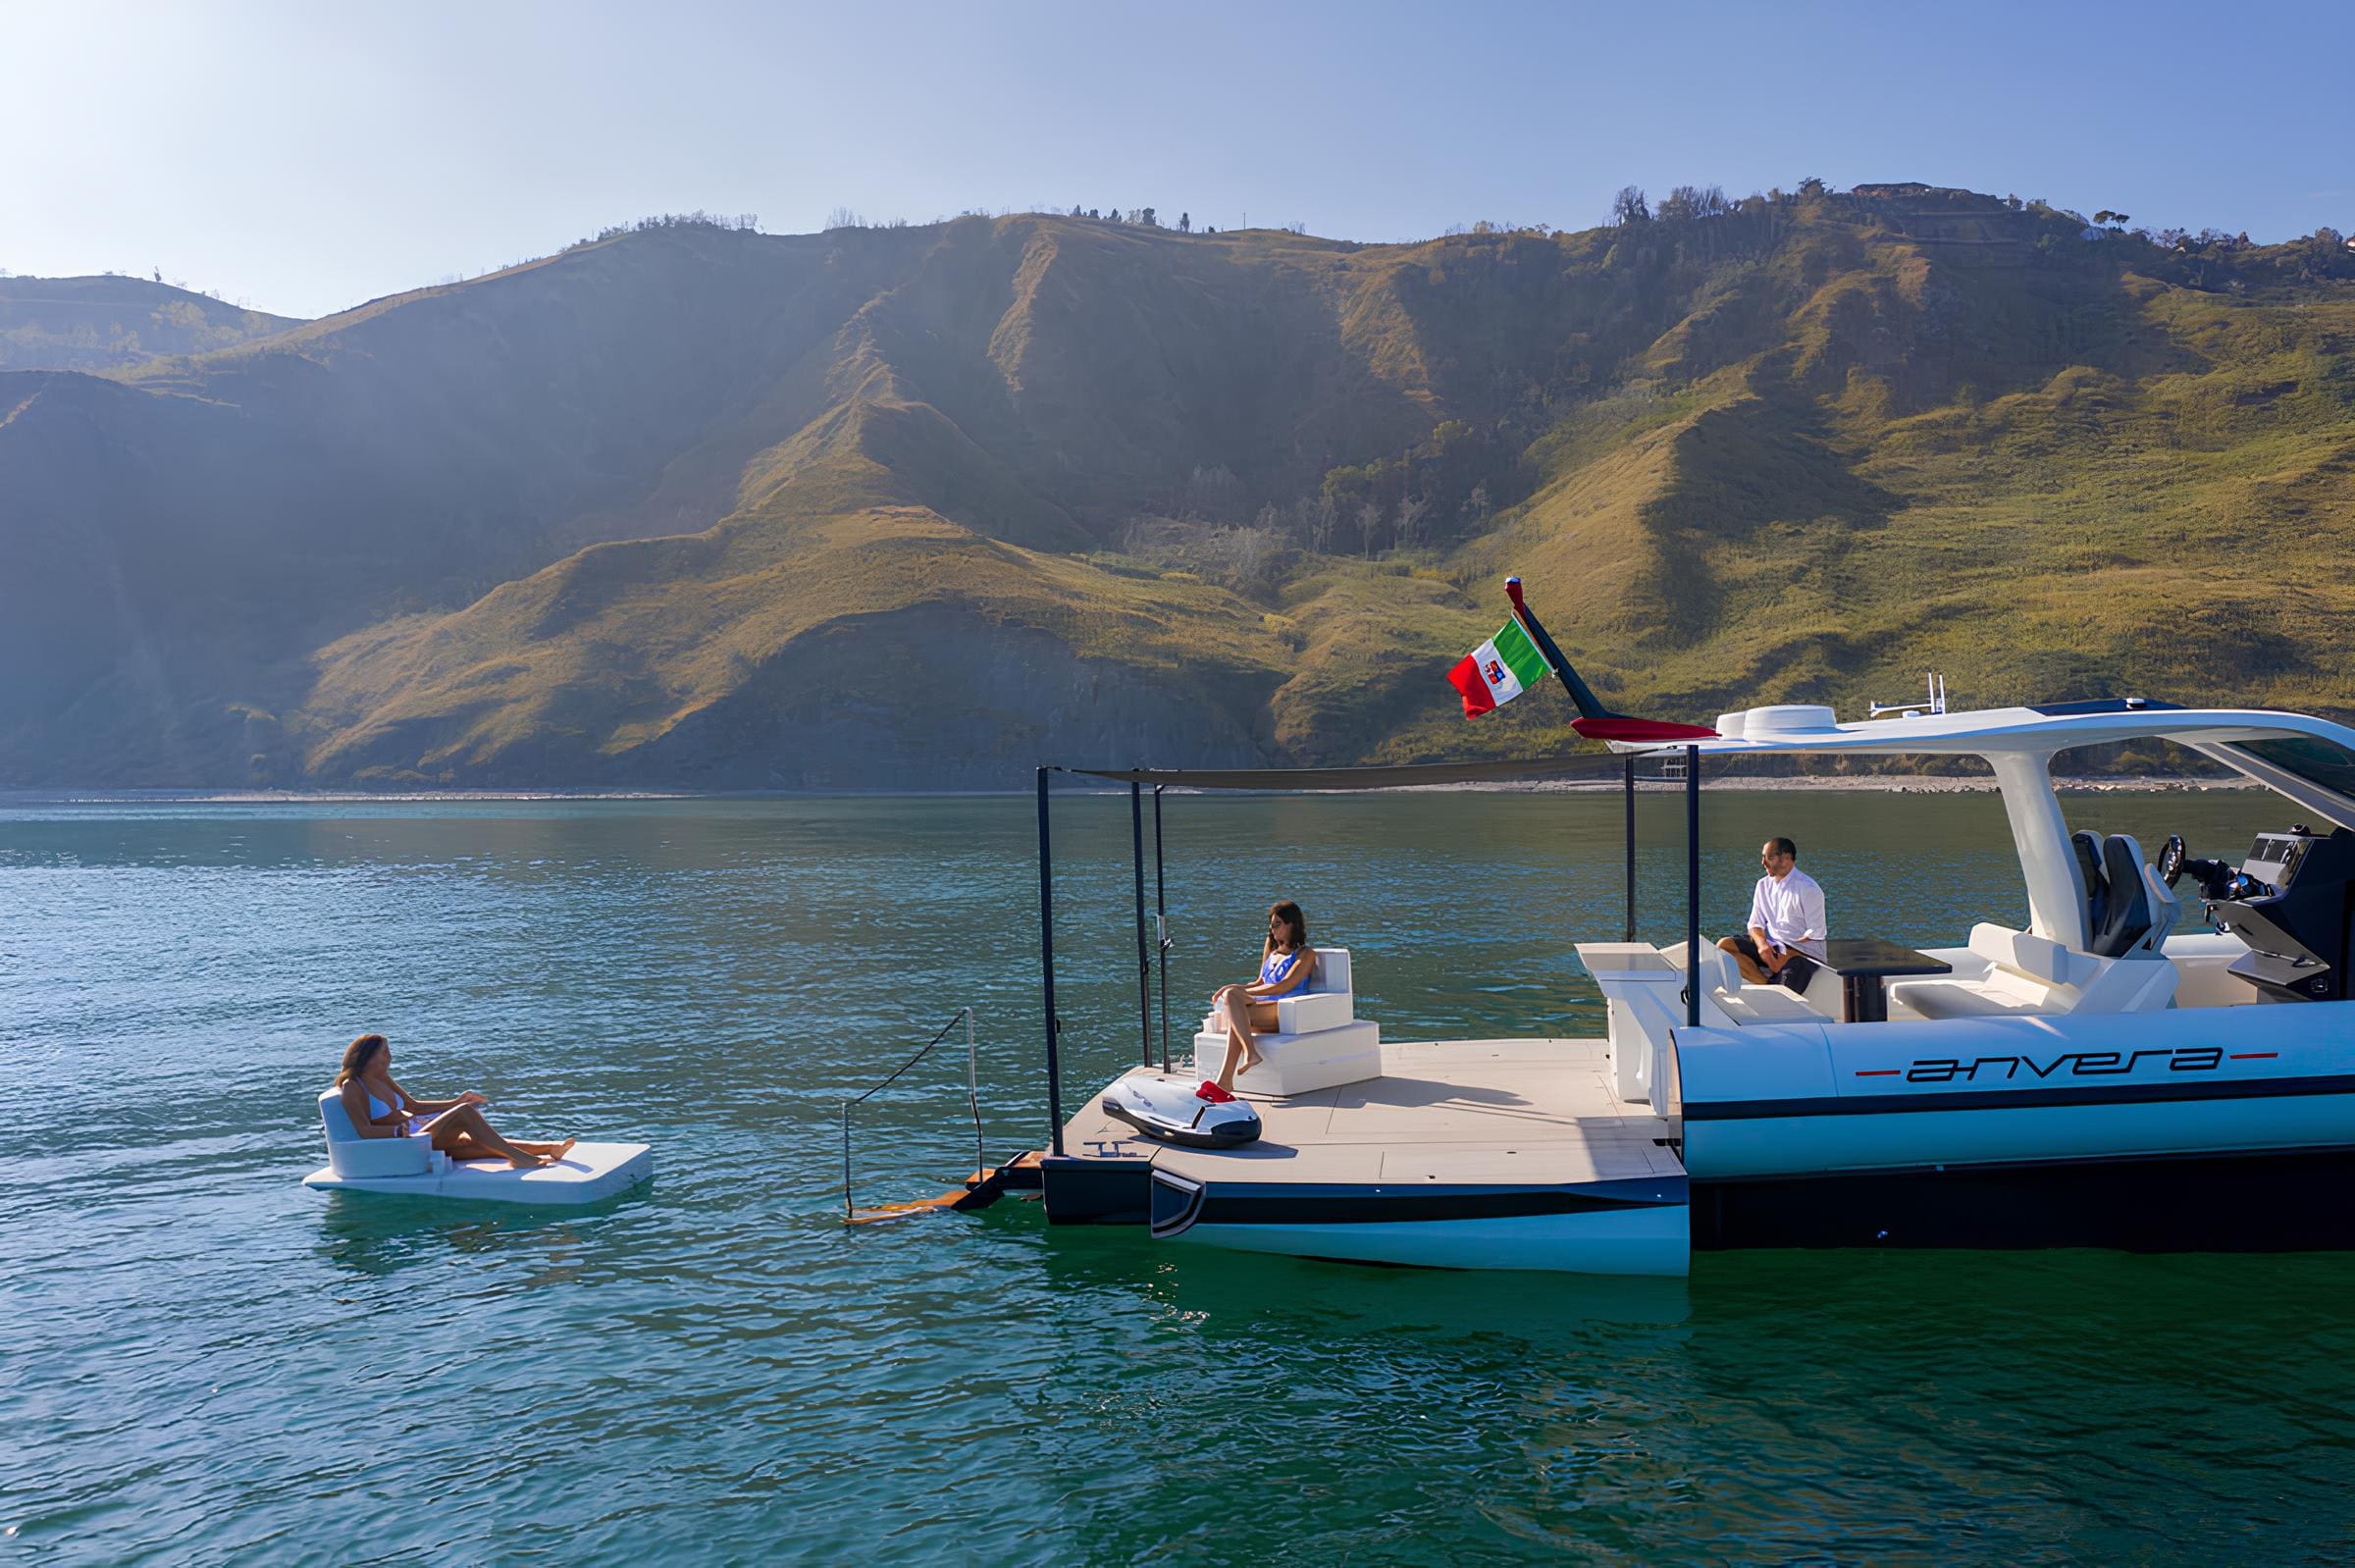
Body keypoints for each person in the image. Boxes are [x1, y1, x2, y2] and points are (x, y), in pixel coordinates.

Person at [334, 1032, 574, 1169]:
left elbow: (413, 1106)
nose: (389, 1056)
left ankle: (549, 1148)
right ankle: (521, 1159)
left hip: (420, 1131)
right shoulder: (353, 1086)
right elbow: (363, 1130)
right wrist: (397, 1132)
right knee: (464, 1114)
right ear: (368, 1056)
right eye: (384, 1052)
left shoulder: (382, 1077)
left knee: (475, 1143)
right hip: (405, 1143)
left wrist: (455, 1100)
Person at [1200, 901, 1318, 1102]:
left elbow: (1285, 986)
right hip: (1263, 1006)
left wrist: (1238, 991)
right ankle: (1229, 1077)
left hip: (1284, 1010)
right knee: (1232, 1000)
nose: (1272, 930)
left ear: (1292, 924)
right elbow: (1260, 982)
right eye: (1271, 925)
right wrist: (1234, 988)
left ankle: (1235, 1070)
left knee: (1234, 1003)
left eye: (1277, 924)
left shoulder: (1305, 954)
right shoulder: (1271, 949)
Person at [1719, 837, 1827, 990]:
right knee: (1724, 946)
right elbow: (1755, 924)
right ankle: (1767, 985)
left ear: (1786, 858)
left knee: (1787, 988)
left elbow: (1816, 933)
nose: (1763, 862)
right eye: (1763, 857)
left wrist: (1785, 955)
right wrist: (1763, 946)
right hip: (1773, 947)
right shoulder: (1762, 885)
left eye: (1769, 857)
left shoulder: (1808, 889)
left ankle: (1776, 988)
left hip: (1803, 954)